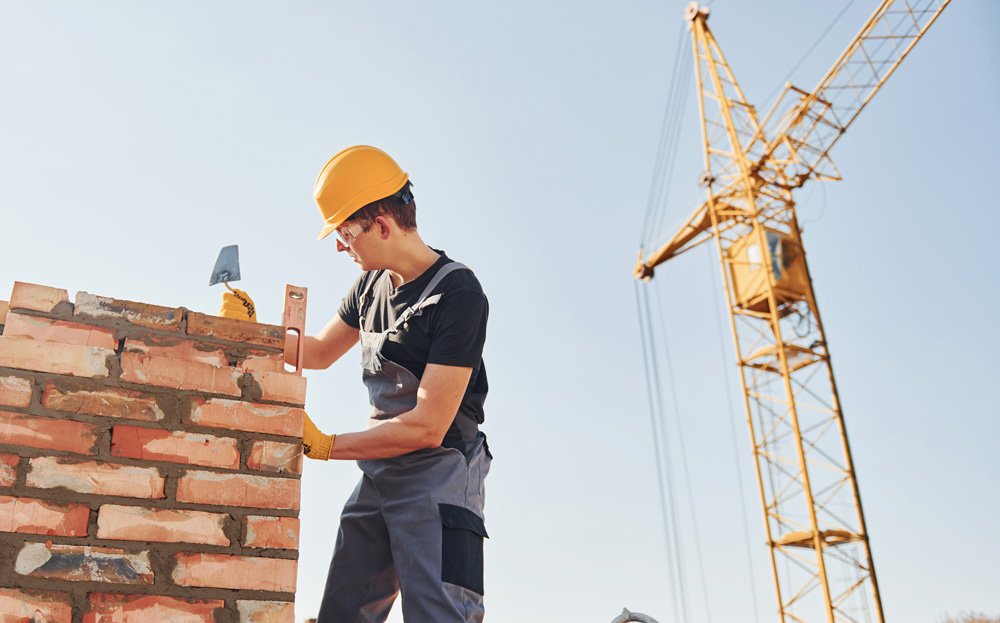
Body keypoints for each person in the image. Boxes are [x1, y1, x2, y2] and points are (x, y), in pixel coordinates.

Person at [289, 145, 490, 622]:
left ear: (382, 224)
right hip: (380, 472)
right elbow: (316, 352)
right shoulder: (369, 285)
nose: (340, 245)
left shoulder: (458, 294)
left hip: (439, 474)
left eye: (344, 231)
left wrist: (326, 445)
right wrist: (249, 335)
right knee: (343, 613)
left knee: (438, 615)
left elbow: (427, 426)